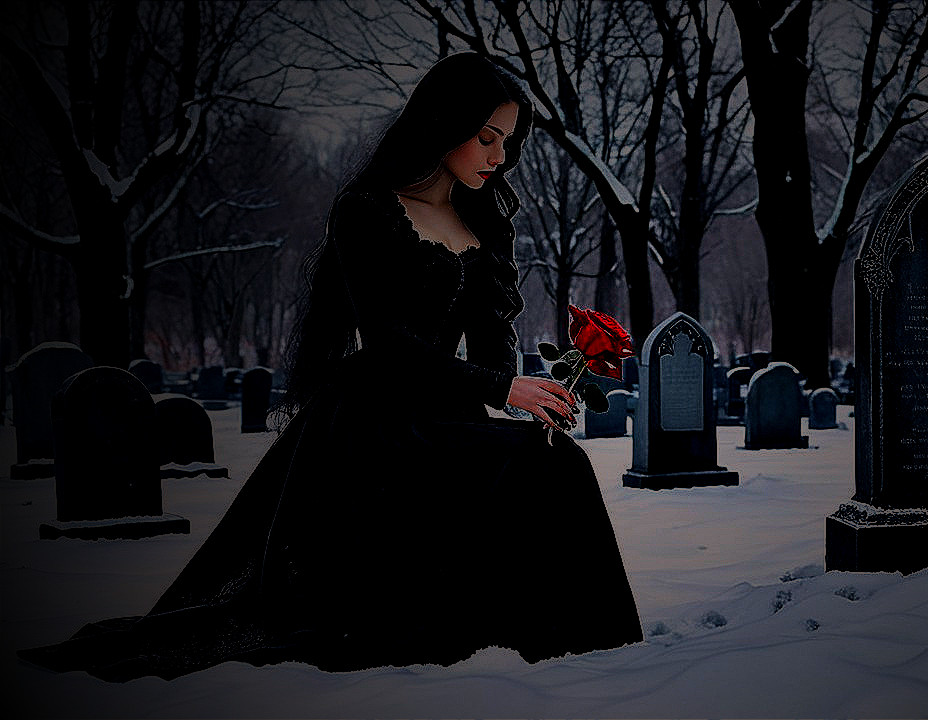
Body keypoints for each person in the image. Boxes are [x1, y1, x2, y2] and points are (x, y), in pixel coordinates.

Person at [21, 52, 642, 681]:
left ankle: (582, 644)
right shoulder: (367, 210)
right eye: (487, 137)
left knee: (554, 462)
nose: (499, 157)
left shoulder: (485, 223)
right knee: (541, 471)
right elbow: (391, 345)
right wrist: (503, 386)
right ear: (443, 124)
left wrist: (544, 386)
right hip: (375, 423)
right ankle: (542, 640)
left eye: (507, 142)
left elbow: (491, 349)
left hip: (450, 416)